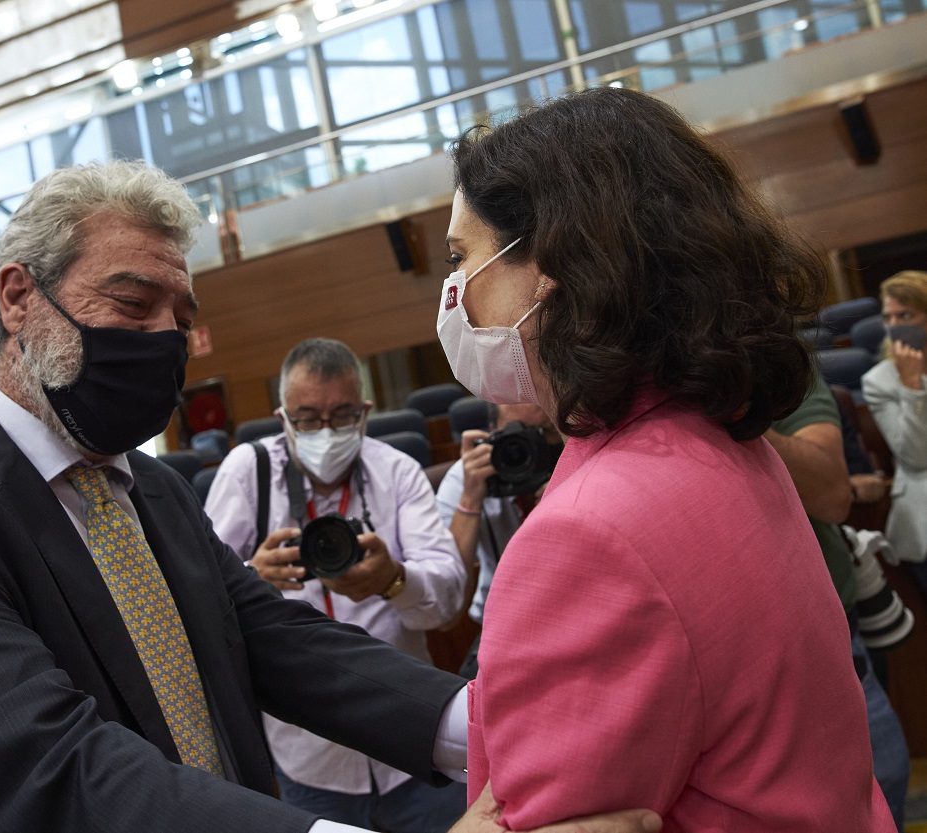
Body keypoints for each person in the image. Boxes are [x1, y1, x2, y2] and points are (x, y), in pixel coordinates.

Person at [0, 160, 660, 833]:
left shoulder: (155, 489)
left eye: (180, 315)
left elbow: (281, 643)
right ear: (20, 296)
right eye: (134, 304)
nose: (166, 339)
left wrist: (505, 730)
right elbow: (43, 769)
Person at [440, 87, 894, 831]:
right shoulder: (711, 435)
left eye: (462, 258)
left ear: (548, 264)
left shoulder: (585, 537)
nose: (454, 294)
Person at [204, 338, 467, 832]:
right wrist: (250, 577)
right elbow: (198, 594)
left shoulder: (397, 471)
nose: (325, 432)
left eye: (342, 416)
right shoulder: (247, 472)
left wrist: (393, 580)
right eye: (307, 418)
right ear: (282, 418)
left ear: (366, 413)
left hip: (410, 743)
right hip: (310, 758)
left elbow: (449, 598)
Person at [765, 372, 910, 830]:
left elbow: (832, 495)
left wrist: (737, 415)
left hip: (827, 621)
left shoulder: (774, 368)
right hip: (743, 650)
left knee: (886, 771)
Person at [434, 402, 561, 677]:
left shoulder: (577, 465)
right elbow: (449, 604)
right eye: (521, 435)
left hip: (570, 615)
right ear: (493, 433)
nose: (532, 445)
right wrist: (470, 498)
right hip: (503, 626)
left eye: (545, 433)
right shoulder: (466, 477)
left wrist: (567, 499)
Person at [861, 270, 927, 594]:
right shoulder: (879, 380)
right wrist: (912, 386)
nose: (894, 325)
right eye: (888, 316)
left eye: (906, 315)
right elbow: (915, 457)